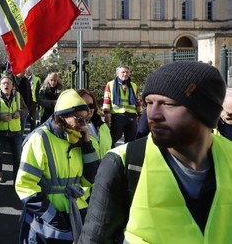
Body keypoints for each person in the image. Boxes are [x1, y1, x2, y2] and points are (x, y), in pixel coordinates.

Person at [79, 61, 232, 244]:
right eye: (149, 103)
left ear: (204, 112)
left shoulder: (228, 156)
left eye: (168, 104)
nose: (153, 115)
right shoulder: (123, 162)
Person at [16, 89, 100, 243]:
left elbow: (92, 178)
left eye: (86, 119)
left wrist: (87, 145)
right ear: (62, 117)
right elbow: (25, 185)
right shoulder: (39, 138)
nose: (84, 125)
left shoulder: (81, 137)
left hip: (75, 213)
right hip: (46, 219)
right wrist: (52, 216)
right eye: (79, 119)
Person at [0, 74, 28, 183]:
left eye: (8, 83)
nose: (6, 85)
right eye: (3, 83)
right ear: (0, 86)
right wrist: (0, 117)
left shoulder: (18, 96)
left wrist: (20, 113)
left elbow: (25, 109)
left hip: (15, 132)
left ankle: (17, 176)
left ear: (12, 86)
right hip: (0, 132)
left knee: (17, 156)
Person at [103, 65, 142, 145]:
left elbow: (138, 101)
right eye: (123, 72)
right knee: (114, 137)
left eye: (127, 72)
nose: (125, 74)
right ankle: (109, 152)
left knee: (131, 140)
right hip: (117, 115)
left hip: (131, 116)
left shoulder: (134, 85)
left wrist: (140, 114)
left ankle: (129, 156)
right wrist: (107, 114)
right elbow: (107, 99)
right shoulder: (110, 84)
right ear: (117, 74)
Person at [77, 88, 112, 159]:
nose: (88, 109)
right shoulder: (74, 129)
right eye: (84, 106)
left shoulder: (103, 126)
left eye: (91, 106)